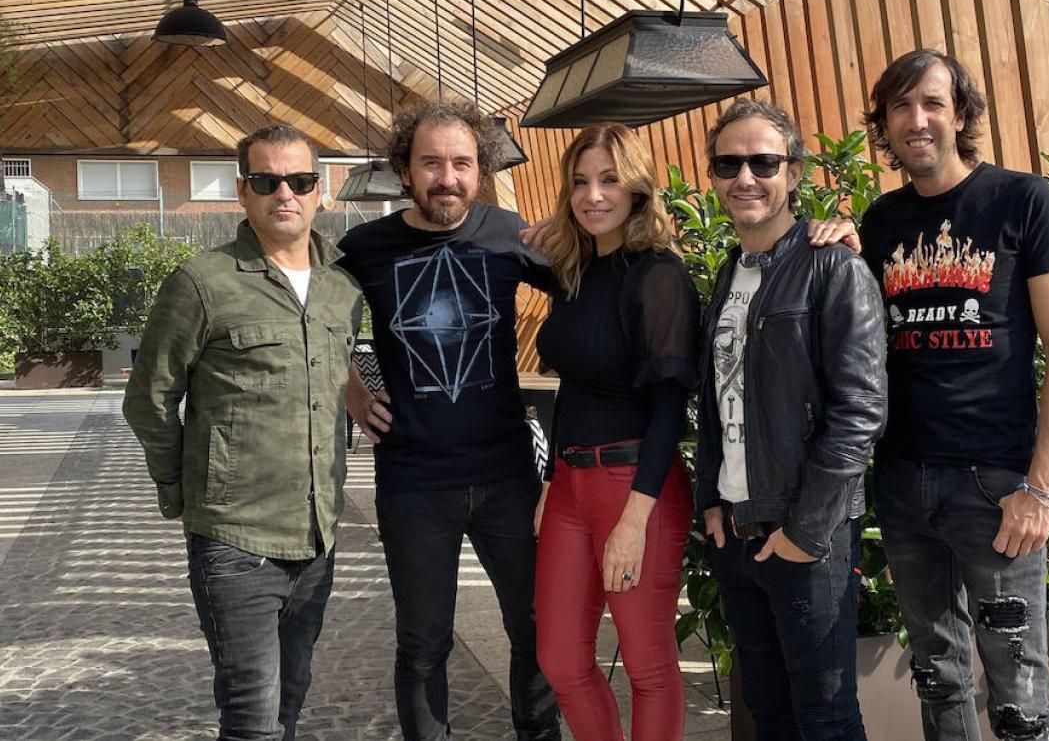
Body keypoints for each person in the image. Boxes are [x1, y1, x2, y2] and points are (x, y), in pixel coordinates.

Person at [854, 48, 1049, 741]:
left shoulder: (1023, 200)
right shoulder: (881, 221)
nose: (916, 119)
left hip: (996, 485)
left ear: (960, 115)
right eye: (900, 106)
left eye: (932, 103)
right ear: (885, 124)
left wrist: (1042, 488)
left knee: (1020, 696)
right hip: (904, 480)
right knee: (938, 677)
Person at [123, 124, 363, 741]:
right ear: (242, 190)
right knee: (252, 716)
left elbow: (336, 375)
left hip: (318, 536)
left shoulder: (343, 287)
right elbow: (150, 399)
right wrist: (179, 490)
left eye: (300, 181)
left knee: (290, 700)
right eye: (266, 180)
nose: (285, 193)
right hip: (235, 539)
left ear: (320, 191)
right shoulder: (202, 282)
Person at [336, 100, 560, 741]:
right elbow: (309, 322)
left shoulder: (509, 232)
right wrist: (352, 392)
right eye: (431, 163)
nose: (447, 178)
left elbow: (595, 291)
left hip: (507, 473)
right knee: (423, 643)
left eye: (462, 163)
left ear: (480, 170)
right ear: (405, 171)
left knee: (535, 628)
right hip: (413, 482)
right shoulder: (365, 248)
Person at [694, 98, 888, 740]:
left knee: (826, 718)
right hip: (737, 530)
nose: (745, 177)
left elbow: (859, 412)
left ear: (795, 171)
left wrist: (806, 531)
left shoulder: (834, 267)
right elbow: (718, 396)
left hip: (807, 534)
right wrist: (711, 498)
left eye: (763, 162)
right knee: (768, 711)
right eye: (729, 164)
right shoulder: (731, 273)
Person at [531, 123, 699, 740]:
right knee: (561, 658)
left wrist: (634, 521)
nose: (593, 195)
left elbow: (669, 408)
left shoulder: (658, 276)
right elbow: (574, 386)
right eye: (580, 182)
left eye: (609, 179)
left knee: (647, 663)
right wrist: (553, 479)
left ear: (637, 189)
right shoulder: (576, 273)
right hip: (570, 484)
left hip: (635, 486)